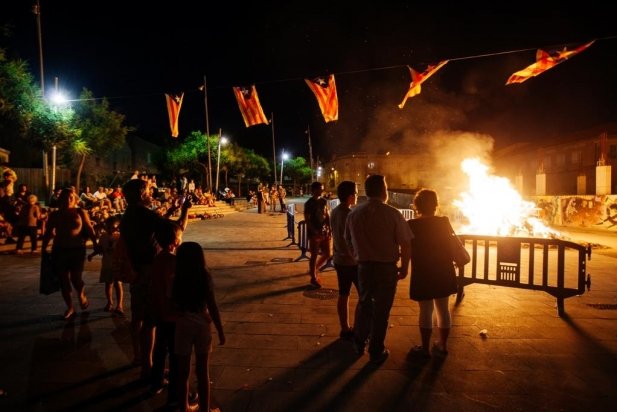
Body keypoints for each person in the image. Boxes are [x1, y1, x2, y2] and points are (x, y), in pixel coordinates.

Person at [120, 178, 190, 381]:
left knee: (140, 317)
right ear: (142, 193)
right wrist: (184, 209)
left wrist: (168, 211)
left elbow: (153, 226)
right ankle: (151, 368)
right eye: (150, 190)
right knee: (153, 321)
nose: (153, 192)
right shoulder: (144, 215)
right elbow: (176, 229)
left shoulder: (128, 216)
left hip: (137, 271)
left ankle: (143, 361)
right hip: (152, 272)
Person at [345, 175, 413, 364]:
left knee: (364, 303)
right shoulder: (392, 214)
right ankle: (376, 349)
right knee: (382, 309)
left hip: (364, 267)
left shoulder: (354, 213)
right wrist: (405, 267)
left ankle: (359, 342)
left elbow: (347, 239)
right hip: (386, 269)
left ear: (366, 191)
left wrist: (356, 256)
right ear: (384, 190)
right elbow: (406, 243)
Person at [173, 242, 225, 412]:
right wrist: (220, 329)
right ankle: (205, 408)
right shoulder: (204, 276)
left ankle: (184, 407)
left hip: (182, 324)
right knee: (202, 371)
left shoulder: (177, 277)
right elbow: (213, 305)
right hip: (202, 325)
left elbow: (172, 302)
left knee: (183, 371)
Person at [407, 188, 459, 358]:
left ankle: (424, 347)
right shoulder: (444, 222)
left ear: (417, 205)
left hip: (423, 271)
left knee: (425, 310)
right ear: (436, 205)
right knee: (443, 309)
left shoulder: (412, 225)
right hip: (443, 269)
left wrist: (403, 268)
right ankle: (443, 345)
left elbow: (408, 249)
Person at [41, 188, 100, 320]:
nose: (68, 200)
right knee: (63, 280)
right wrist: (43, 248)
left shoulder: (80, 212)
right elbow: (48, 232)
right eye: (65, 197)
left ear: (75, 199)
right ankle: (70, 307)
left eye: (71, 197)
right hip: (59, 250)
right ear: (60, 199)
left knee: (76, 278)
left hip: (77, 249)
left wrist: (96, 244)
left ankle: (81, 294)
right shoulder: (55, 215)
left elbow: (89, 228)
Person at [149, 219, 183, 404]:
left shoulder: (157, 261)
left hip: (159, 312)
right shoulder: (174, 262)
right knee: (176, 353)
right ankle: (176, 394)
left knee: (160, 349)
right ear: (175, 241)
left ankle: (156, 381)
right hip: (173, 314)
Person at [330, 181, 360, 339]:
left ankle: (345, 328)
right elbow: (351, 239)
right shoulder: (349, 214)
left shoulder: (334, 211)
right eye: (355, 192)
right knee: (364, 296)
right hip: (351, 261)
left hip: (339, 259)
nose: (357, 195)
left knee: (344, 293)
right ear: (350, 196)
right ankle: (357, 327)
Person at [88, 216, 124, 315]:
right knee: (108, 284)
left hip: (117, 264)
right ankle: (110, 302)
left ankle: (120, 305)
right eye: (108, 227)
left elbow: (123, 250)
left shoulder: (119, 237)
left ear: (117, 227)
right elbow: (99, 248)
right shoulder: (103, 237)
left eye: (112, 227)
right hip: (107, 264)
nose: (110, 229)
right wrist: (92, 255)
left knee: (118, 284)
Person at [303, 181, 332, 288]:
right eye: (320, 188)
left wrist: (330, 228)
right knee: (314, 255)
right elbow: (307, 219)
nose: (322, 190)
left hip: (324, 232)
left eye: (322, 188)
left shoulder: (324, 201)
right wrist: (313, 231)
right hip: (314, 234)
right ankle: (313, 277)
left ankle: (314, 269)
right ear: (314, 190)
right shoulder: (309, 203)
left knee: (328, 254)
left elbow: (327, 215)